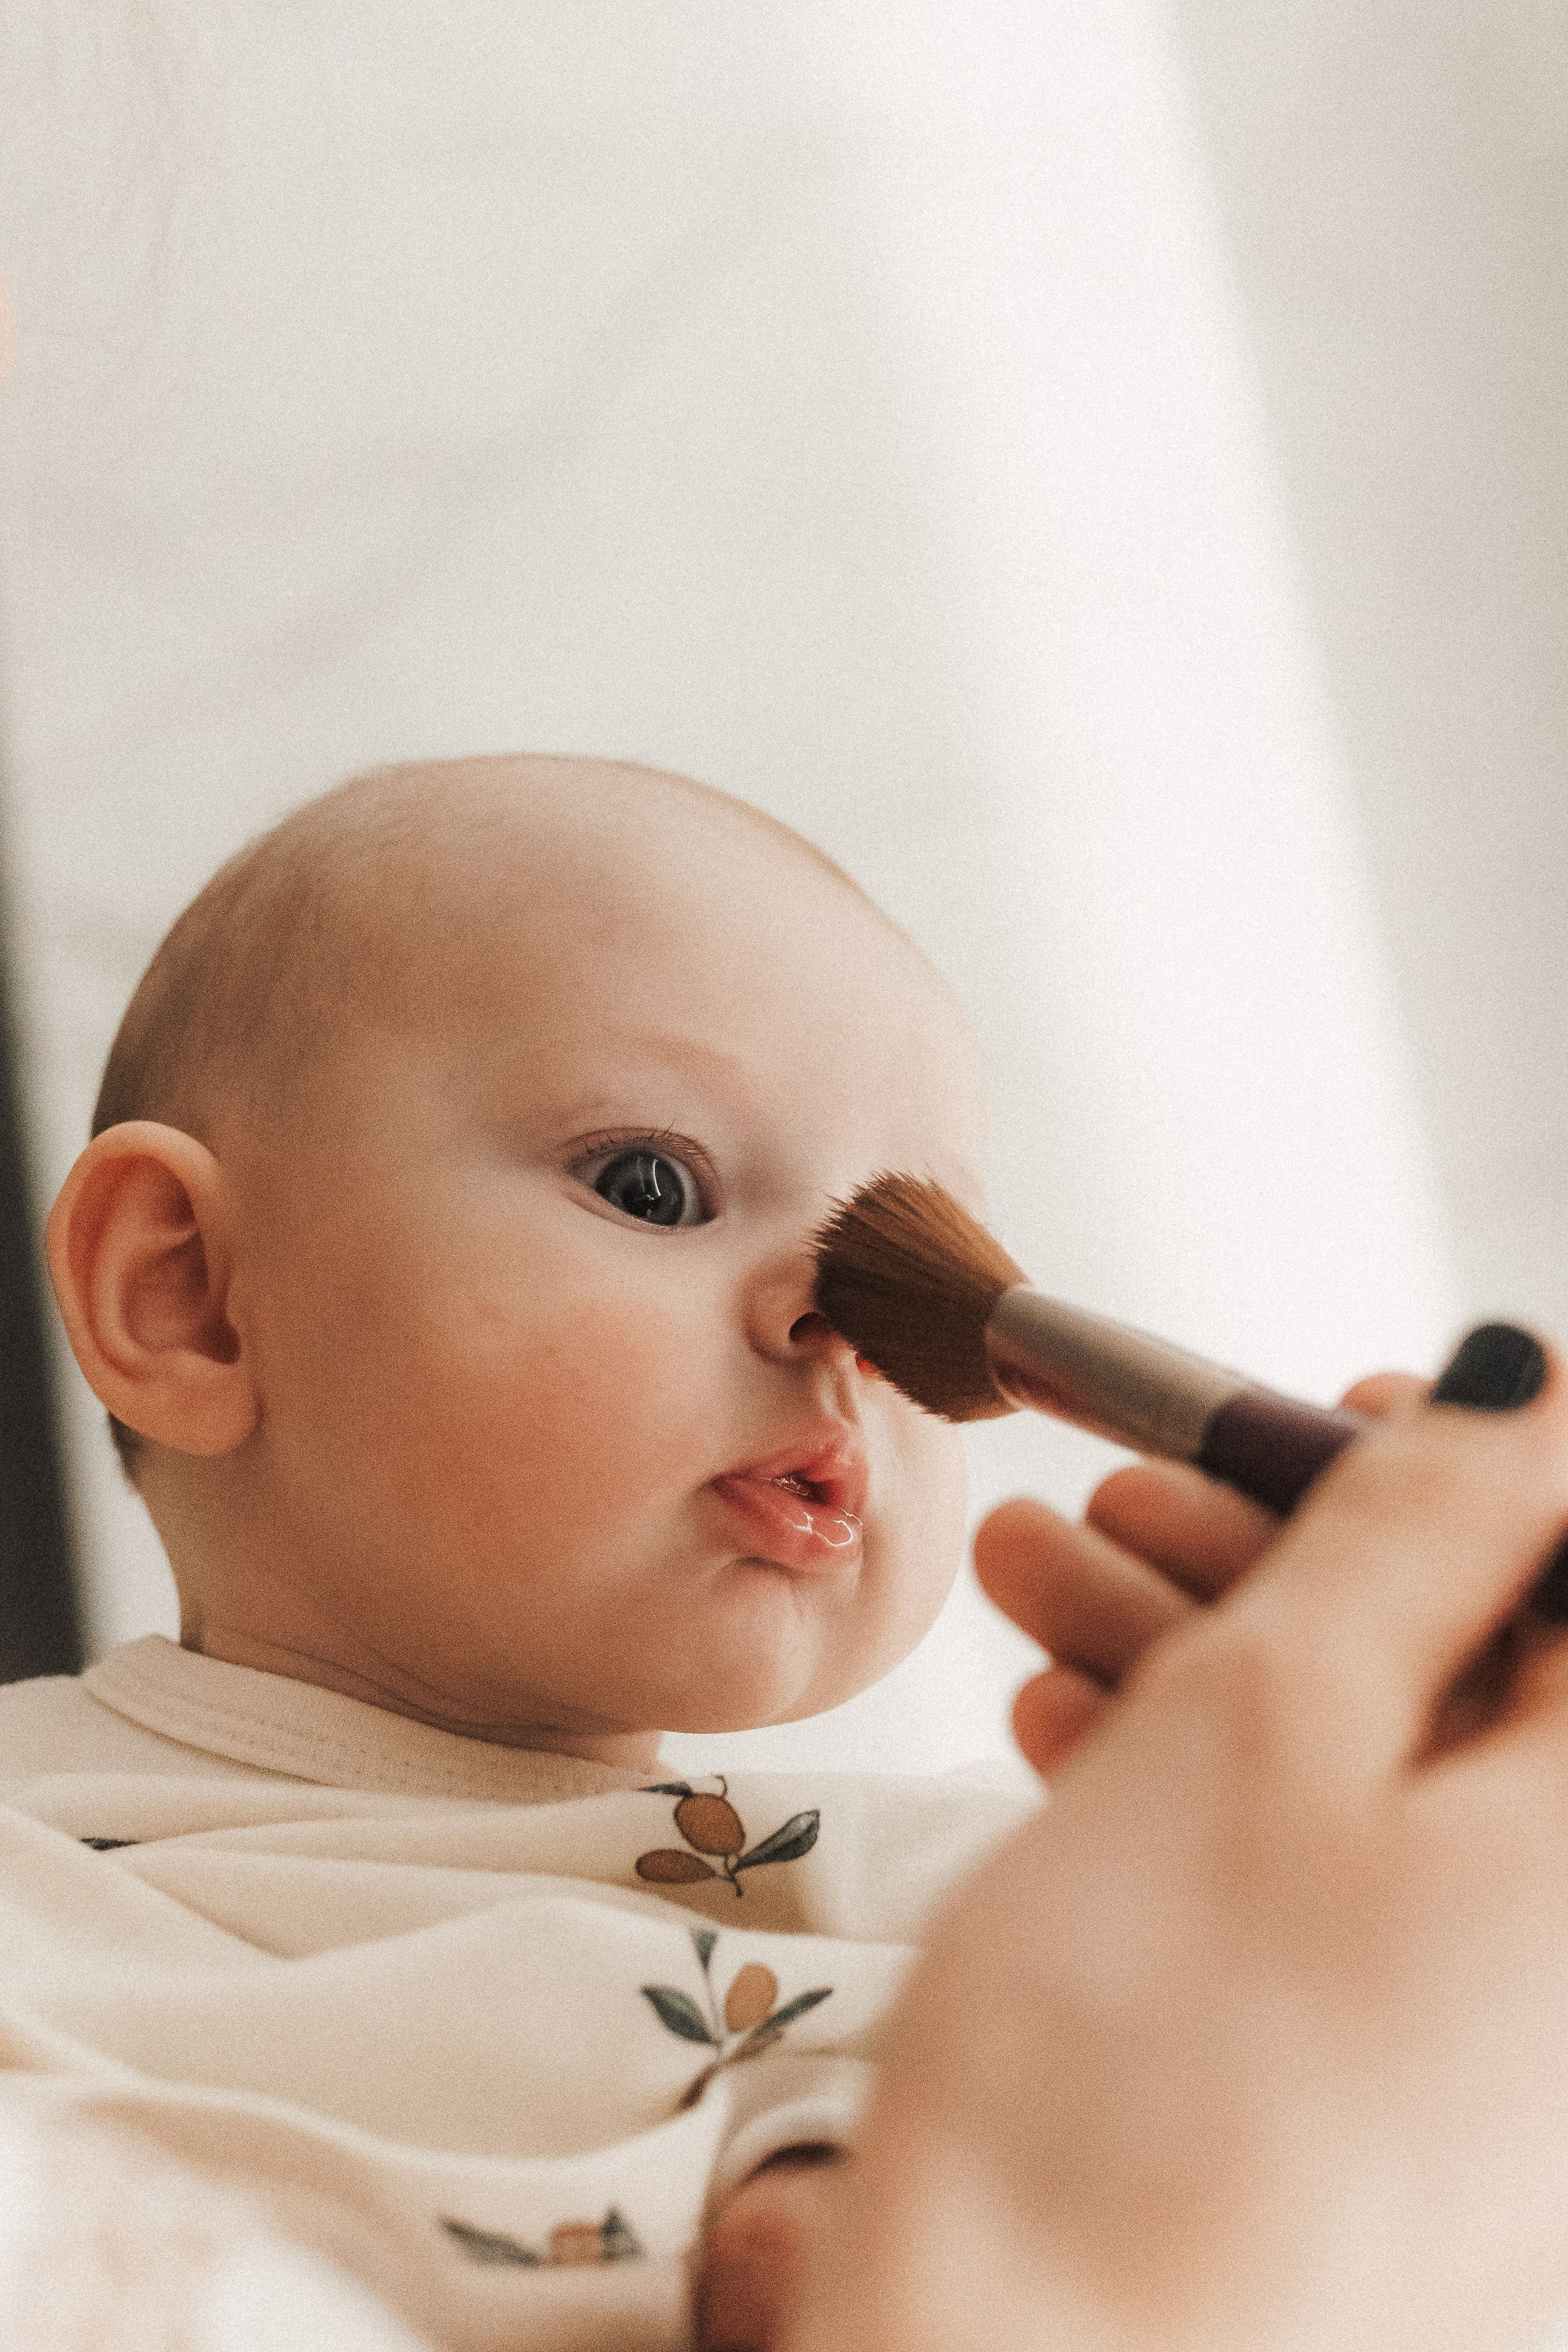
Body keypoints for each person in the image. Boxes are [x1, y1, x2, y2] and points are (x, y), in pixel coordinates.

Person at [6, 751, 1568, 2351]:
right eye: (653, 1184)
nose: (832, 1323)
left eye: (916, 1257)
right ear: (187, 1295)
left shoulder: (994, 1891)